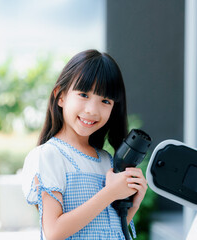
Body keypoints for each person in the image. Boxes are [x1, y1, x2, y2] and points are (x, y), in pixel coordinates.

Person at [22, 49, 147, 240]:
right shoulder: (50, 155)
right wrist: (110, 192)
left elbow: (110, 231)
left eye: (105, 100)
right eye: (84, 95)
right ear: (60, 96)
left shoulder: (107, 160)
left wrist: (133, 204)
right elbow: (54, 232)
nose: (92, 110)